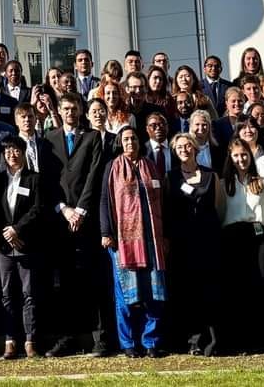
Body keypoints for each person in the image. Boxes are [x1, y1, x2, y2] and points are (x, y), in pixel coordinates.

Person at [43, 91, 108, 357]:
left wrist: (80, 210)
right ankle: (66, 338)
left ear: (81, 111)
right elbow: (47, 178)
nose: (70, 112)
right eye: (66, 108)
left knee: (94, 281)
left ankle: (100, 338)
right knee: (65, 284)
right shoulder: (48, 139)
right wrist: (64, 209)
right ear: (60, 110)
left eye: (74, 108)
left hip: (87, 219)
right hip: (61, 221)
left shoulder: (93, 138)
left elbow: (94, 175)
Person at [100, 125, 168, 359]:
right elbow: (104, 201)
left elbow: (163, 200)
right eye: (126, 139)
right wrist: (106, 232)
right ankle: (128, 343)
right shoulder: (113, 167)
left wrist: (165, 235)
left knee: (154, 294)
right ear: (121, 142)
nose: (131, 142)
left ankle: (151, 342)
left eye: (134, 138)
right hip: (123, 241)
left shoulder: (150, 166)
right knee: (126, 295)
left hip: (152, 242)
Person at [219, 138, 264, 353]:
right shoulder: (224, 183)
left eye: (244, 154)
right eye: (236, 155)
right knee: (238, 287)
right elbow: (220, 211)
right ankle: (241, 341)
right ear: (230, 157)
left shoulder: (262, 182)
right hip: (233, 236)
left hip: (258, 235)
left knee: (262, 284)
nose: (241, 159)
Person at [166, 132, 222, 355]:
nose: (183, 149)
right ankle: (191, 341)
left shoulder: (211, 175)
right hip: (182, 243)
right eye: (179, 147)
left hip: (208, 241)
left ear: (195, 148)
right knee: (186, 292)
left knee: (209, 291)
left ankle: (211, 340)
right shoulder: (170, 177)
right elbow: (166, 210)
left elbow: (219, 207)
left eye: (187, 145)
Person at [0, 135, 42, 359]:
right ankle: (10, 341)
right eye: (8, 151)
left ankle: (30, 341)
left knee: (29, 294)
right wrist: (6, 233)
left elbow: (37, 209)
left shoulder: (34, 179)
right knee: (6, 295)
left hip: (26, 243)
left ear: (23, 152)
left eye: (16, 150)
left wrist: (18, 230)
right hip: (4, 246)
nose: (12, 154)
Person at [13, 101, 49, 174]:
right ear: (16, 121)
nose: (27, 120)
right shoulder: (11, 145)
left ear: (36, 119)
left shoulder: (46, 144)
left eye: (30, 116)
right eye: (23, 117)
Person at [190, 109, 223, 173]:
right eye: (197, 124)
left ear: (209, 126)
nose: (201, 128)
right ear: (191, 126)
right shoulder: (188, 148)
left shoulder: (216, 147)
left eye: (204, 124)